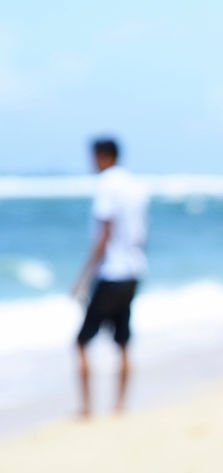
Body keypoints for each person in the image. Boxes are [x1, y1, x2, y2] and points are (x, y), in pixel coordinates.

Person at [71, 138, 149, 417]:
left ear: (102, 156)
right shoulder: (135, 186)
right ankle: (120, 404)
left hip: (111, 272)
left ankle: (86, 407)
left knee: (80, 342)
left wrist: (82, 276)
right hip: (133, 270)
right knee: (123, 340)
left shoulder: (107, 186)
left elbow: (104, 234)